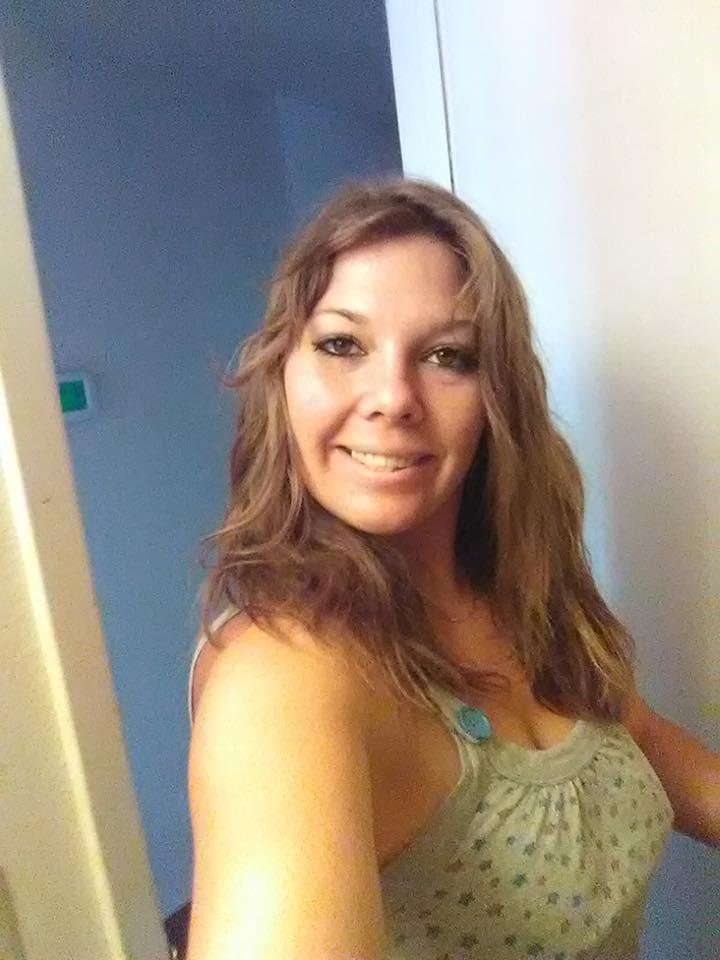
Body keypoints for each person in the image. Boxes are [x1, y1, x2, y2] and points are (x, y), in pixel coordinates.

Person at [185, 178, 718, 960]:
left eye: (447, 356)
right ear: (282, 376)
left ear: (496, 398)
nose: (392, 398)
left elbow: (639, 737)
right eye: (342, 345)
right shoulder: (286, 678)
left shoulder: (526, 597)